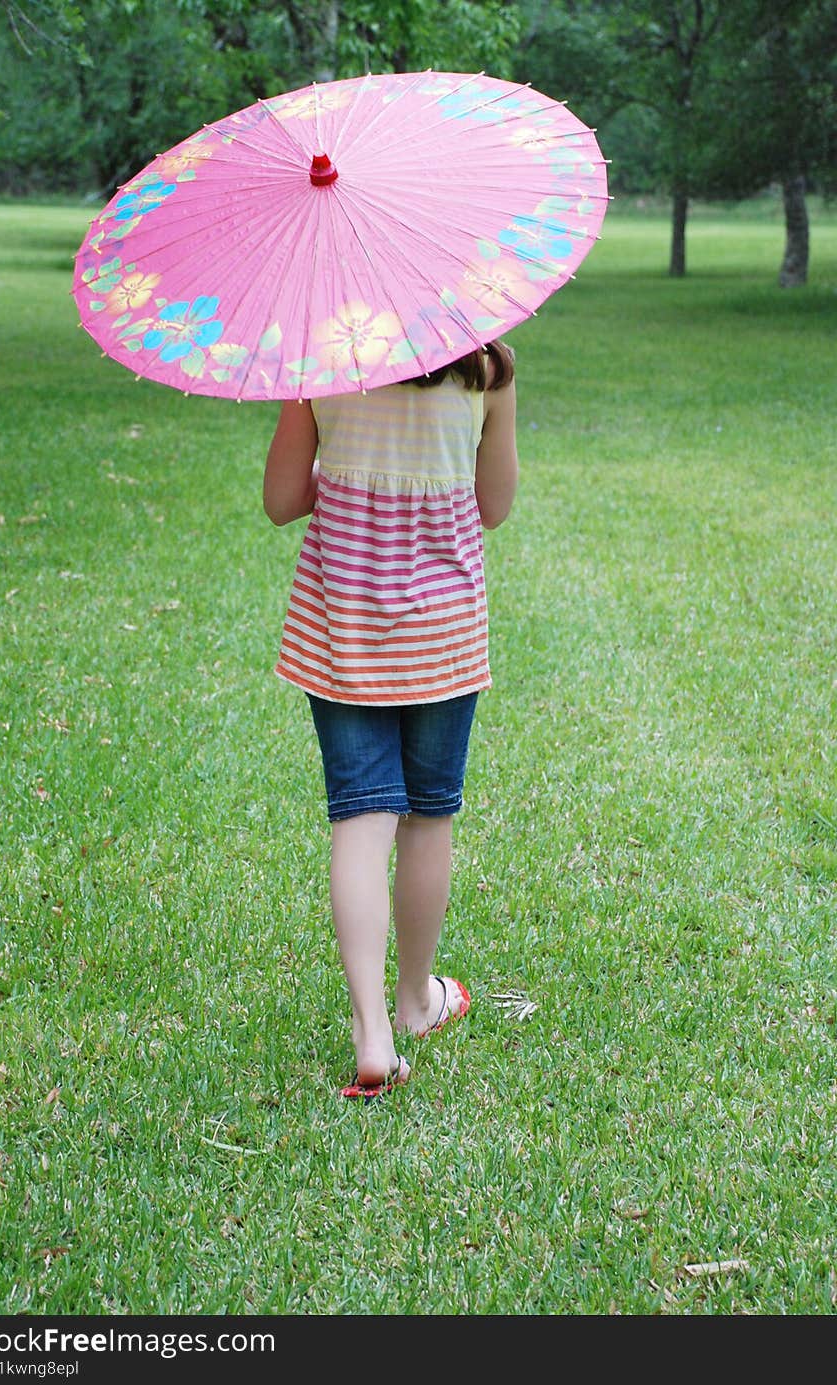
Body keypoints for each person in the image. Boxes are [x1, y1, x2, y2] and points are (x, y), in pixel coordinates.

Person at [263, 341, 518, 1099]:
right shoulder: (491, 367)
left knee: (361, 819)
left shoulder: (322, 361)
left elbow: (281, 500)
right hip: (443, 637)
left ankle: (372, 1031)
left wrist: (336, 469)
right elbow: (494, 505)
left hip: (342, 628)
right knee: (429, 819)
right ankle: (416, 1001)